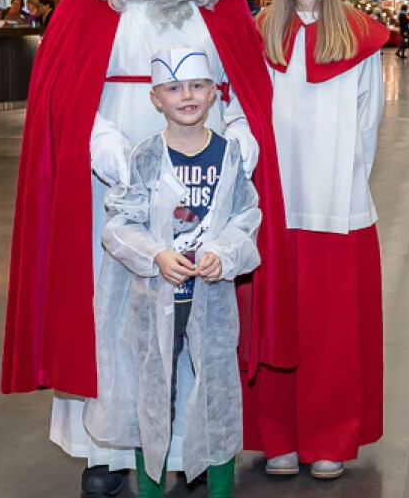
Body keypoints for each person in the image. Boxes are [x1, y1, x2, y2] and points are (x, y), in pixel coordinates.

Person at [0, 0, 292, 498]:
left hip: (199, 180)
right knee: (112, 311)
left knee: (194, 308)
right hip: (109, 182)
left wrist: (243, 141)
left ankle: (188, 445)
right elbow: (68, 96)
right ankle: (108, 449)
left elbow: (242, 87)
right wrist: (100, 144)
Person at [247, 0, 388, 481]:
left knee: (331, 329)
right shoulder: (260, 31)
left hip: (336, 205)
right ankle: (276, 435)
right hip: (273, 203)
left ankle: (329, 436)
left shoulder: (360, 36)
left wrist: (347, 184)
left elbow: (368, 120)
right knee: (276, 324)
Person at [85, 47, 261, 498]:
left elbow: (246, 218)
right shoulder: (144, 158)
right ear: (155, 97)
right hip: (153, 301)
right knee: (153, 398)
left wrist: (223, 253)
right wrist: (157, 256)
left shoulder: (228, 157)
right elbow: (119, 223)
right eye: (174, 88)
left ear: (213, 93)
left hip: (211, 303)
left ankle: (220, 488)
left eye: (198, 86)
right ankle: (149, 489)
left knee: (217, 394)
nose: (187, 96)